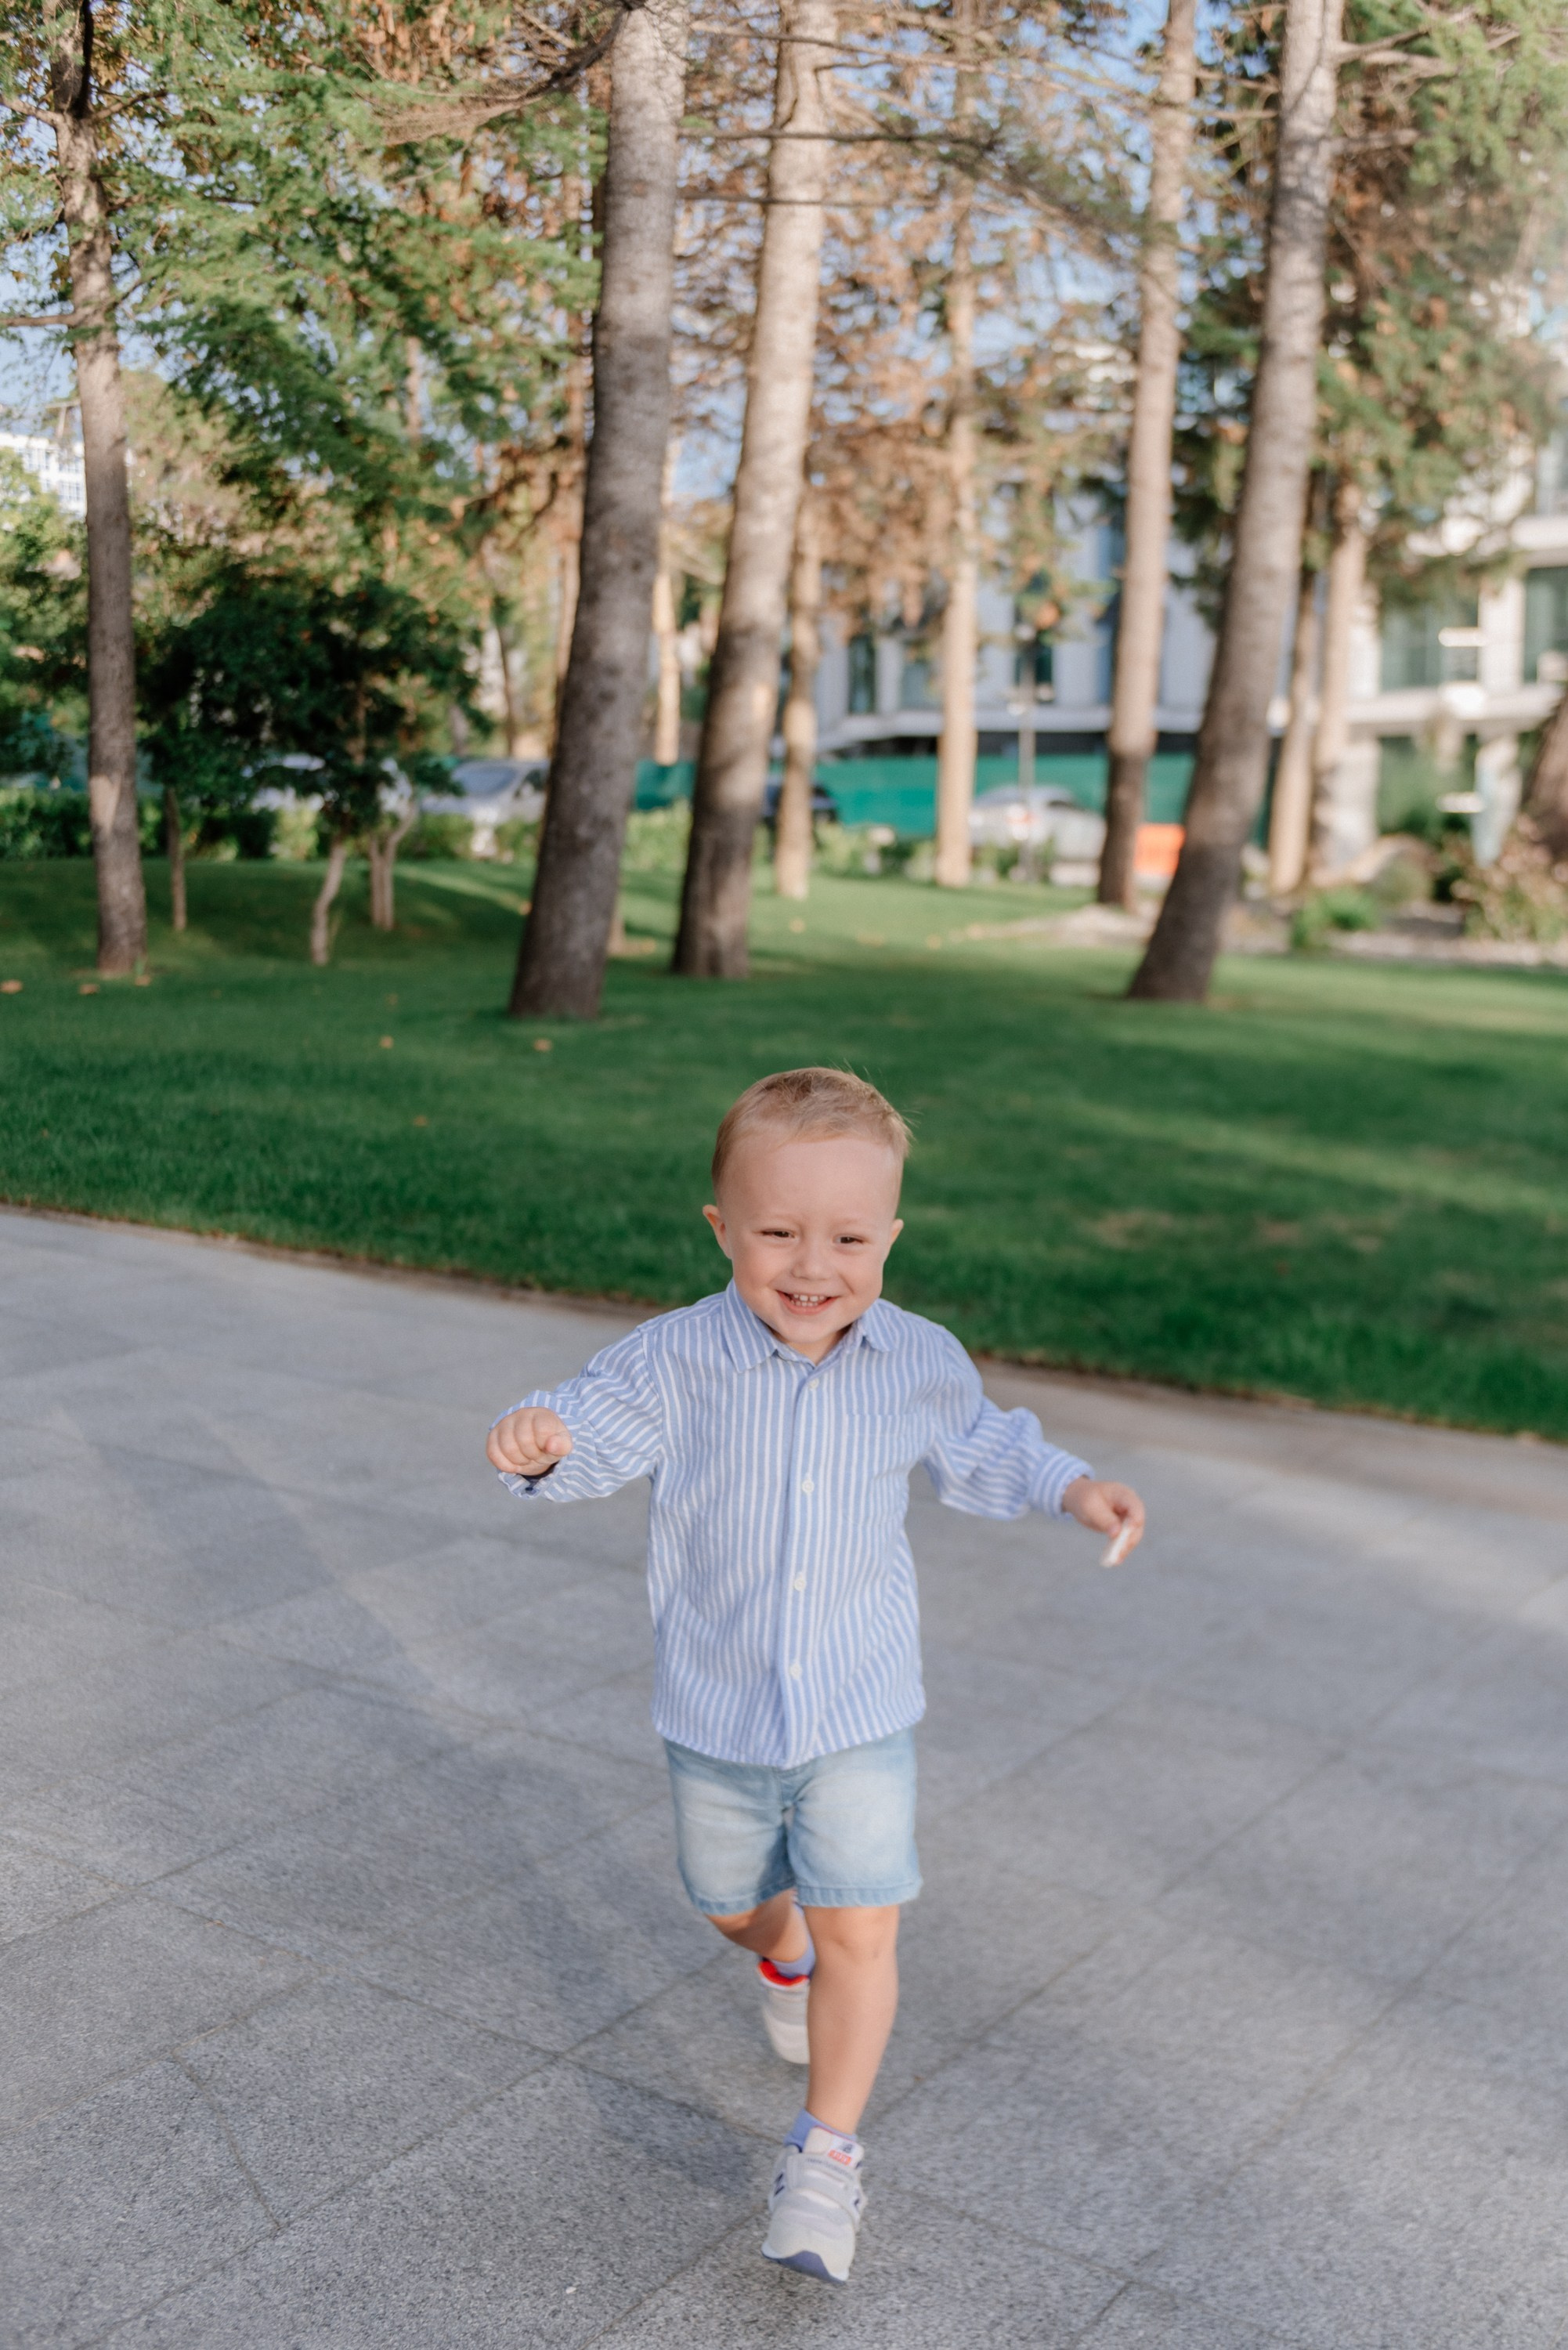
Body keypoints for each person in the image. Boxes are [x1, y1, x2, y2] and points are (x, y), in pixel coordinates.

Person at [486, 1066, 1144, 2285]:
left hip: (857, 1710)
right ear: (721, 1229)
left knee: (866, 1927)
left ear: (889, 1236)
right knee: (729, 1904)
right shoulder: (675, 1358)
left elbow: (983, 1443)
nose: (812, 1264)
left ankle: (825, 2156)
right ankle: (775, 1953)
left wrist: (1070, 1487)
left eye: (848, 1236)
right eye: (777, 1232)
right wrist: (541, 1440)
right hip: (718, 1709)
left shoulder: (915, 1359)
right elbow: (587, 1425)